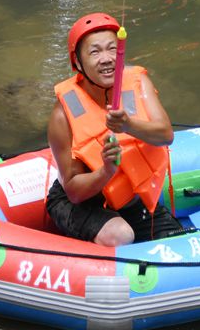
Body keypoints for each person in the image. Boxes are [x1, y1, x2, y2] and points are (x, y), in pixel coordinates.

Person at [45, 12, 180, 246]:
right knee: (121, 234)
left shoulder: (138, 82)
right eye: (95, 52)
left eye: (112, 49)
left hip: (129, 198)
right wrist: (106, 171)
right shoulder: (62, 115)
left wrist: (129, 125)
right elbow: (74, 192)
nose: (107, 59)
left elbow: (165, 135)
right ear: (77, 62)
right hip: (82, 201)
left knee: (175, 243)